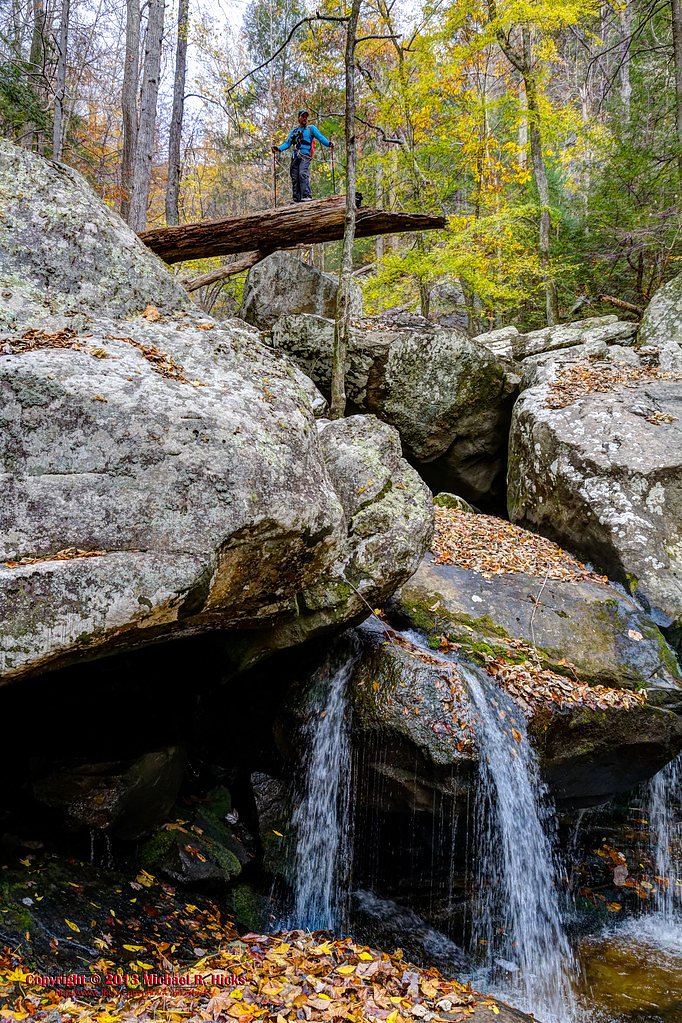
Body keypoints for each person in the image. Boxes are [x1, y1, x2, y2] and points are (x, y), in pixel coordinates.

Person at [272, 109, 333, 203]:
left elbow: (320, 137)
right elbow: (287, 143)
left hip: (305, 156)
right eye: (303, 116)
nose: (305, 118)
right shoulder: (294, 131)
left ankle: (306, 195)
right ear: (298, 118)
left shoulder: (311, 129)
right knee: (294, 176)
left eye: (306, 117)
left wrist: (329, 144)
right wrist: (278, 148)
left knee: (302, 174)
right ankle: (297, 199)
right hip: (295, 157)